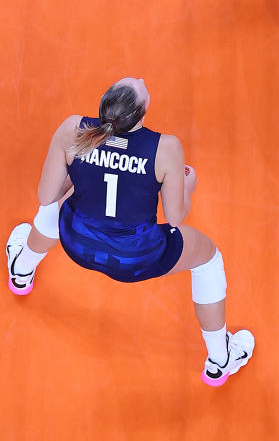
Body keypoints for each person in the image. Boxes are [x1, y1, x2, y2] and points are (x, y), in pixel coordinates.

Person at [5, 78, 254, 387]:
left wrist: (81, 172)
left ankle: (20, 270)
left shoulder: (73, 129)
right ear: (142, 114)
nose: (141, 79)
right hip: (138, 257)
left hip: (78, 242)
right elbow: (176, 217)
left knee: (54, 209)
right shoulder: (166, 148)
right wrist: (187, 187)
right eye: (140, 85)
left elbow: (46, 195)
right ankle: (220, 360)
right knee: (208, 260)